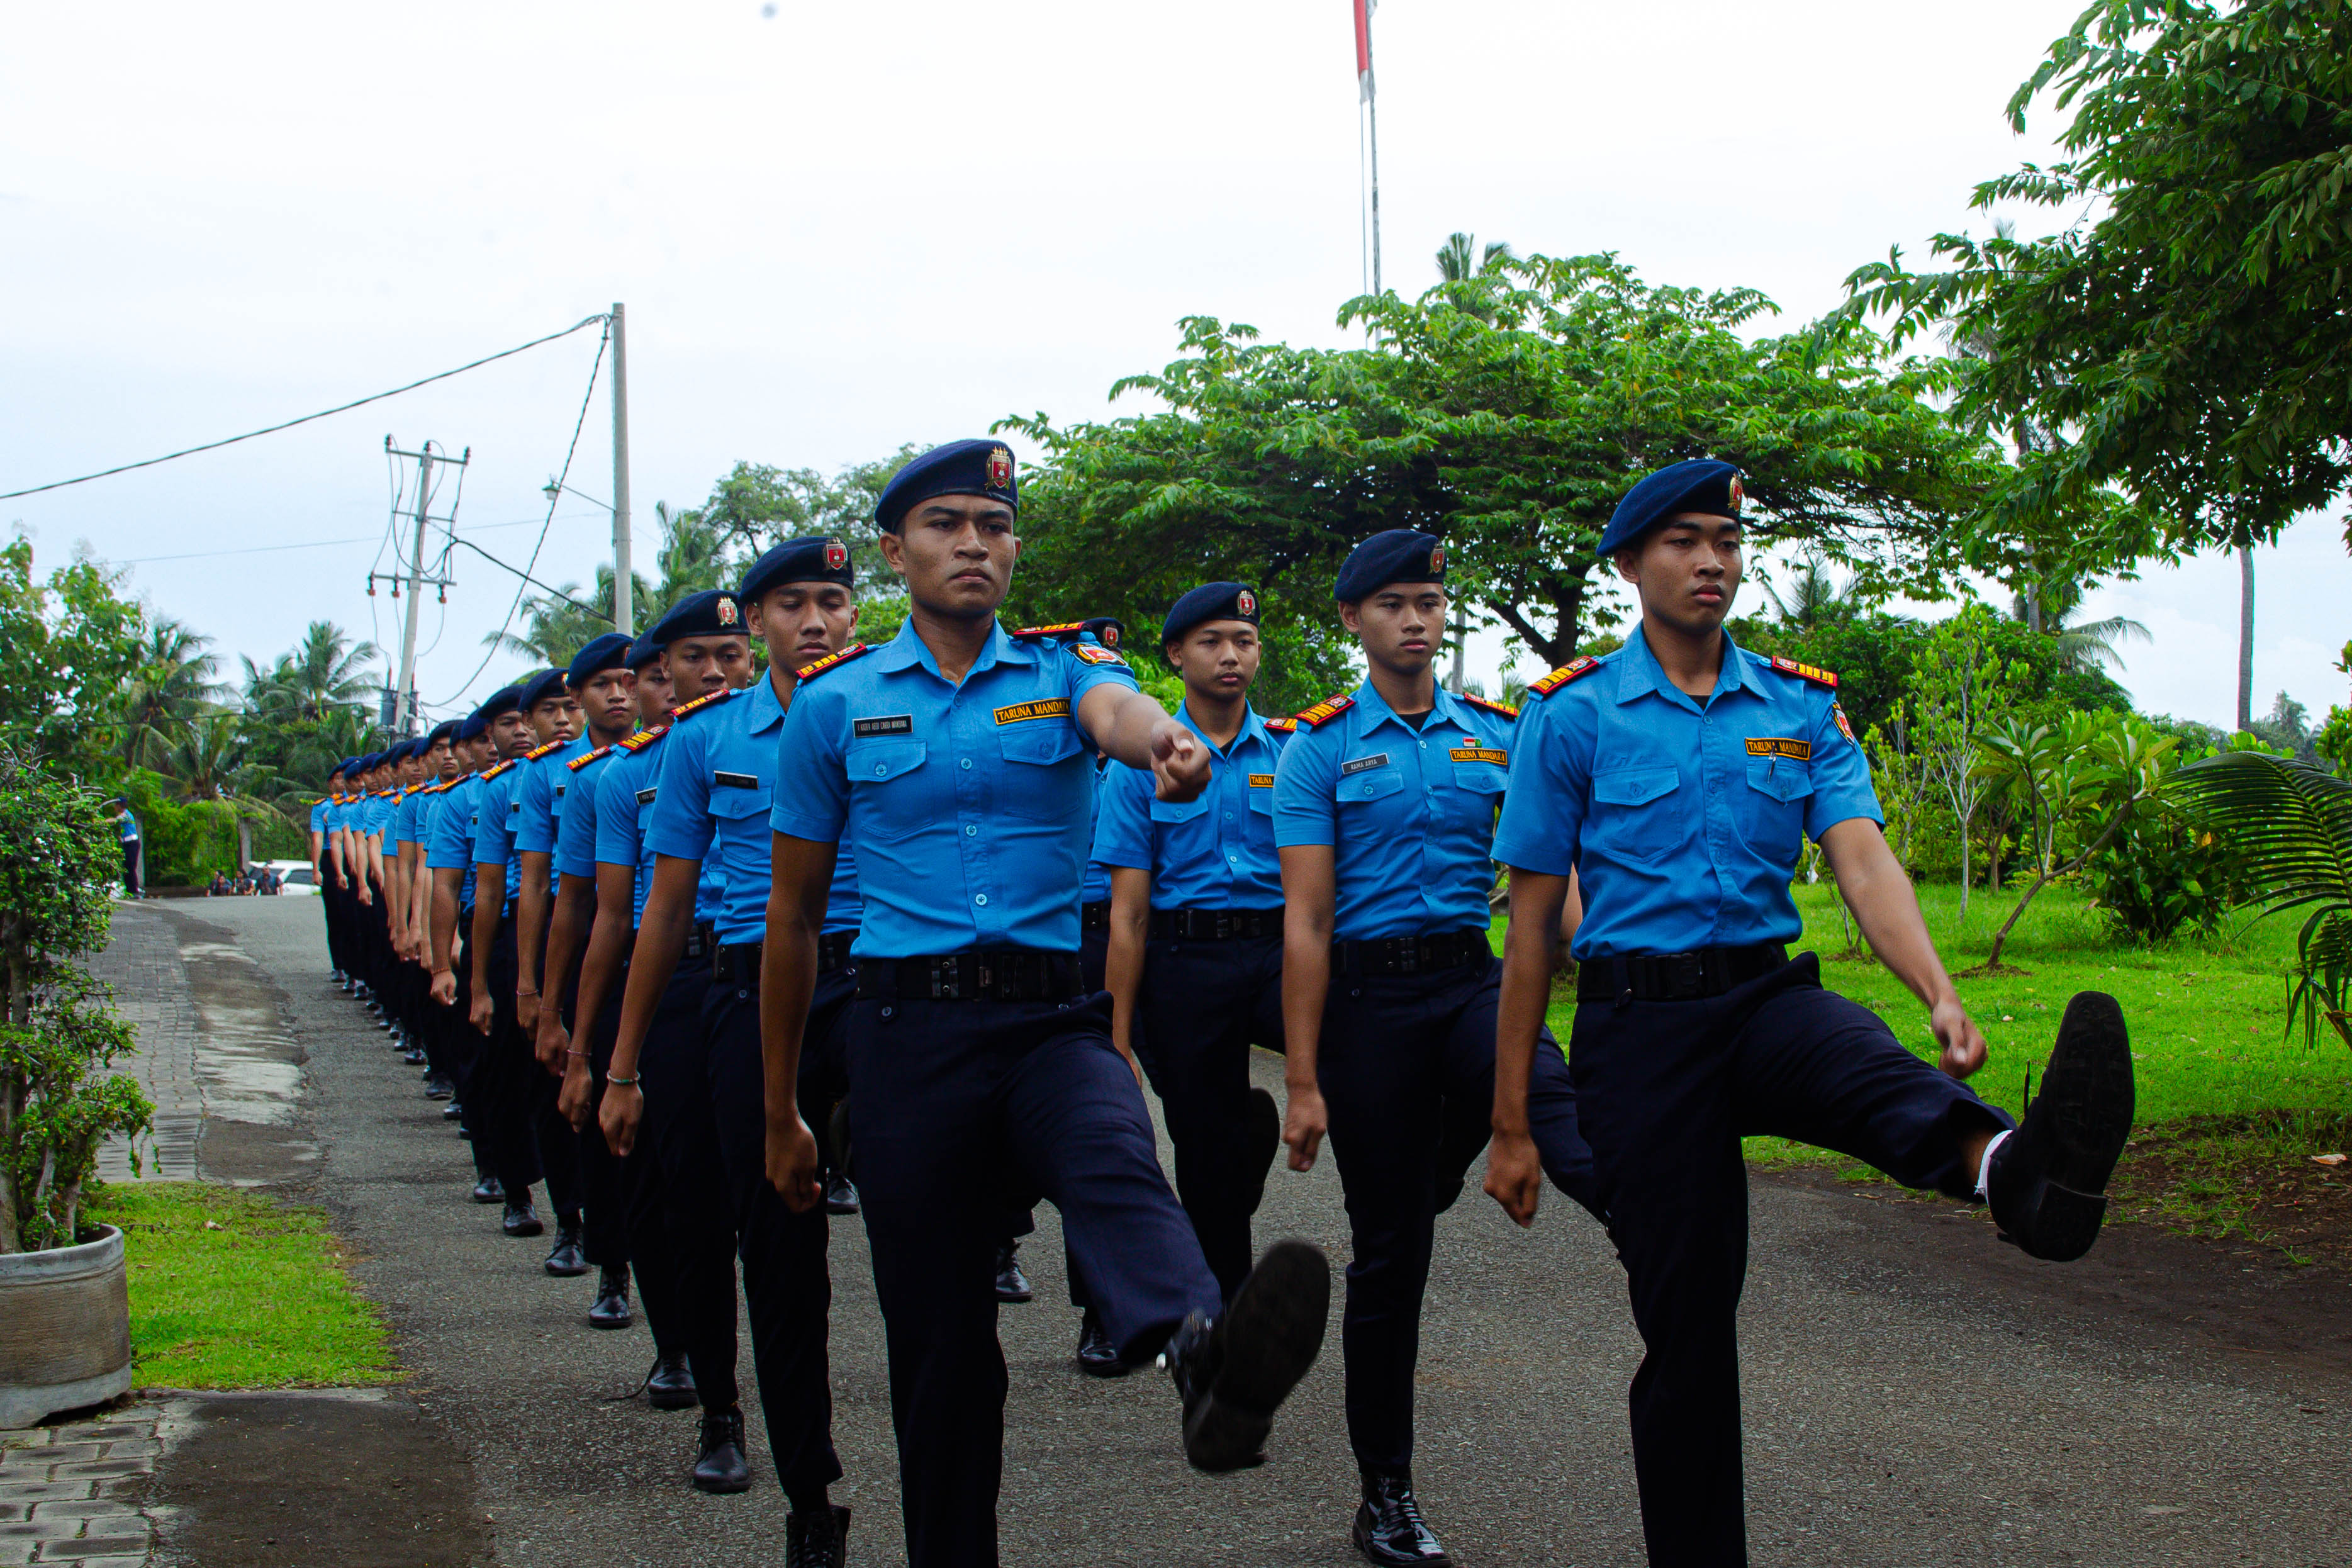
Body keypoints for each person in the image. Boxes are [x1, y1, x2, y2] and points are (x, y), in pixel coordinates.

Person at [1484, 459, 2135, 1568]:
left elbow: (1862, 859)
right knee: (1688, 1332)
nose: (1711, 562)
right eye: (1684, 542)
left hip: (1762, 994)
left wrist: (1936, 988)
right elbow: (1532, 930)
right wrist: (1511, 1122)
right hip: (1640, 1032)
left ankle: (2020, 1175)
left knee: (1872, 1071)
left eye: (1727, 544)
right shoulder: (1571, 714)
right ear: (1632, 563)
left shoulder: (1796, 703)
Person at [762, 438, 1331, 1568]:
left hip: (1046, 1018)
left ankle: (1198, 1349)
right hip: (901, 1034)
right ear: (896, 550)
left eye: (993, 524)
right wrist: (782, 1105)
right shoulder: (833, 708)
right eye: (945, 525)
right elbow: (790, 920)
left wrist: (1167, 741)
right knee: (939, 1350)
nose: (974, 544)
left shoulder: (1063, 670)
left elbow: (1119, 716)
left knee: (1116, 1151)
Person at [1271, 532, 1603, 1567]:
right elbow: (1307, 925)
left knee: (1551, 1098)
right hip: (1368, 1003)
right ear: (1353, 621)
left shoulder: (1498, 735)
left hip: (1471, 979)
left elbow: (1558, 862)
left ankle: (1647, 1216)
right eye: (1393, 605)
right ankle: (1385, 1493)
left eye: (1429, 600)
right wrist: (1300, 1078)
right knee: (1389, 1258)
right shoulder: (1316, 747)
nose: (1416, 619)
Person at [602, 548, 860, 1554]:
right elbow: (662, 909)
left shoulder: (888, 709)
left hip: (870, 990)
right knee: (745, 1231)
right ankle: (743, 1427)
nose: (814, 621)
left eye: (831, 602)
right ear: (762, 623)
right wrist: (621, 1065)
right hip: (735, 987)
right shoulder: (705, 740)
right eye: (791, 604)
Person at [1089, 583, 1288, 1370]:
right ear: (1176, 654)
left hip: (1275, 953)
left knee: (1365, 1046)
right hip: (1183, 960)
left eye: (1243, 639)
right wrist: (1115, 1039)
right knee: (1208, 1158)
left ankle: (1256, 1129)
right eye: (1211, 641)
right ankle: (1228, 1325)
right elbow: (1128, 915)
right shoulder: (1140, 762)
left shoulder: (1291, 749)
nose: (1230, 655)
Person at [586, 595, 755, 1431]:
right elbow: (617, 918)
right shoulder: (627, 778)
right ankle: (687, 1357)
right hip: (679, 982)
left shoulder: (798, 734)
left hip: (770, 973)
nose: (709, 675)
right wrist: (601, 1052)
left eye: (729, 654)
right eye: (680, 666)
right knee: (682, 1189)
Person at [553, 627, 696, 1401]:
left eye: (723, 656)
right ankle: (668, 1336)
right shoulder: (610, 778)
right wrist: (575, 1039)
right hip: (650, 971)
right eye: (660, 673)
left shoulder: (779, 743)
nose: (684, 682)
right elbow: (597, 914)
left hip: (748, 968)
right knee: (644, 1167)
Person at [528, 632, 647, 1327]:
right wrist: (545, 1000)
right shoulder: (568, 774)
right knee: (599, 1117)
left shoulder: (672, 751)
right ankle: (608, 1261)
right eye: (606, 684)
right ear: (580, 696)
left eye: (631, 680)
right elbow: (561, 897)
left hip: (678, 960)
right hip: (599, 956)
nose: (622, 694)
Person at [428, 711, 505, 1188]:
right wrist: (442, 959)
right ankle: (495, 1169)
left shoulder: (573, 774)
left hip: (551, 929)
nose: (499, 742)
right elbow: (442, 885)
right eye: (481, 738)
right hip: (483, 930)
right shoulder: (458, 801)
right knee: (486, 1059)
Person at [110, 798, 142, 899]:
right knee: (127, 867)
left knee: (130, 867)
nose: (114, 807)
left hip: (132, 844)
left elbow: (116, 820)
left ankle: (134, 891)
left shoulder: (126, 815)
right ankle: (130, 891)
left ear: (120, 805)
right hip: (127, 843)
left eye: (116, 805)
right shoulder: (124, 815)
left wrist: (102, 821)